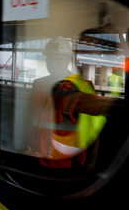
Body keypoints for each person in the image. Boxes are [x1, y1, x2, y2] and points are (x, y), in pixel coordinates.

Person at [30, 37, 112, 170]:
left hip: (67, 164)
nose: (53, 64)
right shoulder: (38, 84)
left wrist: (91, 163)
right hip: (38, 158)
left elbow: (94, 131)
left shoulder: (82, 87)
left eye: (58, 60)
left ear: (68, 60)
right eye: (50, 59)